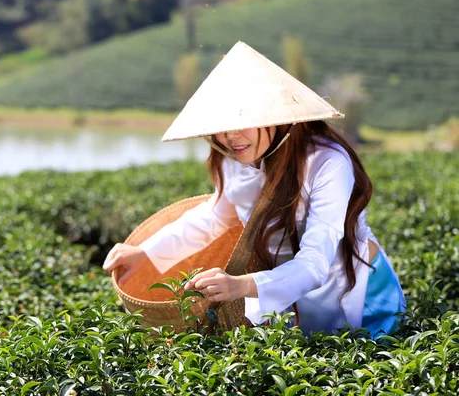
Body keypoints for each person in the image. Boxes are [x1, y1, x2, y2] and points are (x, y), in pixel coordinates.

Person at [103, 41, 405, 338]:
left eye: (244, 121)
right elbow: (214, 220)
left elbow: (315, 263)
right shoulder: (232, 160)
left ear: (276, 118)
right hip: (284, 289)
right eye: (222, 124)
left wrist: (239, 285)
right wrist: (146, 253)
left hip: (358, 289)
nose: (231, 136)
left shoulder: (328, 164)